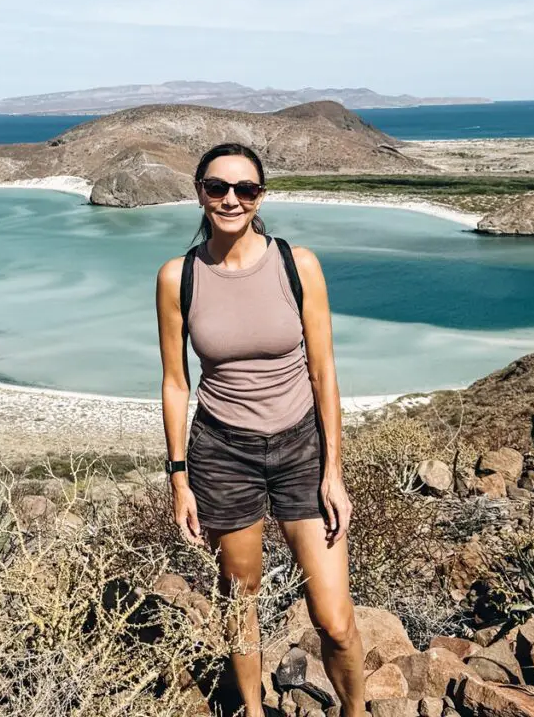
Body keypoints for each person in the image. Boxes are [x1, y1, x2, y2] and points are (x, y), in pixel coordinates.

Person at [156, 143, 365, 717]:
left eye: (244, 190)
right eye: (217, 187)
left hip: (301, 446)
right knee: (239, 597)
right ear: (199, 191)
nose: (230, 199)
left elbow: (324, 373)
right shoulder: (178, 278)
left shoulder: (298, 265)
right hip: (222, 452)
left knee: (333, 617)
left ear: (260, 197)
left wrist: (334, 472)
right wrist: (179, 478)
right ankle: (252, 710)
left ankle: (356, 710)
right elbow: (177, 384)